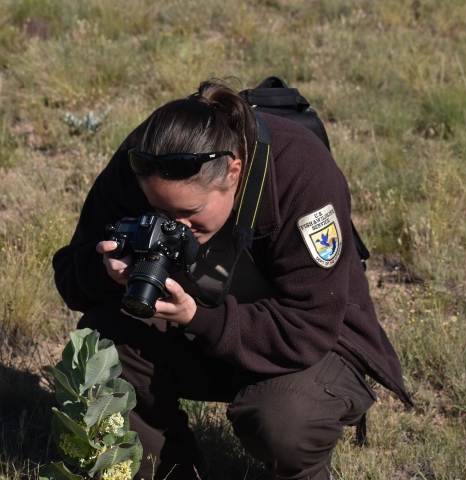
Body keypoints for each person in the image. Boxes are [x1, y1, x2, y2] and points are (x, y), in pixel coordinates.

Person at [52, 79, 413, 480]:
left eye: (191, 212)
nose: (177, 226)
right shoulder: (143, 158)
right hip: (205, 333)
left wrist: (198, 319)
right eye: (160, 210)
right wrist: (105, 272)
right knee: (100, 353)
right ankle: (165, 471)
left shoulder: (300, 172)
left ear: (234, 172)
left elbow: (311, 325)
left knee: (284, 421)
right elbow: (70, 276)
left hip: (312, 344)